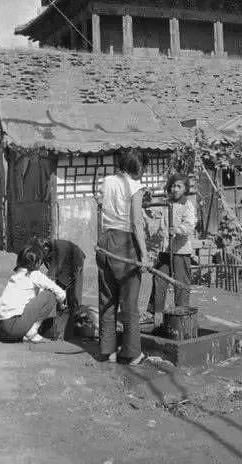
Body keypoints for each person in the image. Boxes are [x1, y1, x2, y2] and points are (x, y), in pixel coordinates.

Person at [96, 148, 149, 365]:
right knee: (129, 302)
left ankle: (108, 351)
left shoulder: (106, 181)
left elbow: (100, 207)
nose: (144, 172)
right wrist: (144, 254)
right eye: (143, 167)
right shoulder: (135, 186)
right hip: (125, 243)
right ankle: (132, 352)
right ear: (138, 167)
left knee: (107, 299)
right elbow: (136, 223)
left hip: (105, 241)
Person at [147, 173, 196, 326]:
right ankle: (155, 313)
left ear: (185, 188)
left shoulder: (187, 205)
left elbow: (189, 226)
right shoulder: (166, 203)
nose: (175, 189)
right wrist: (148, 207)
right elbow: (156, 216)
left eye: (179, 186)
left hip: (180, 251)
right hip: (165, 250)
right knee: (159, 279)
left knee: (181, 284)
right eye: (173, 186)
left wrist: (177, 230)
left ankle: (181, 317)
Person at [0, 245, 66, 343]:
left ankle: (25, 331)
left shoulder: (16, 276)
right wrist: (61, 304)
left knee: (39, 294)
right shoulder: (35, 274)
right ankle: (32, 332)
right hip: (12, 328)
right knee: (50, 295)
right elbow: (61, 293)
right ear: (37, 263)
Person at [36, 237, 85, 339]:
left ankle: (70, 328)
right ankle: (57, 327)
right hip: (64, 264)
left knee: (73, 295)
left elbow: (52, 274)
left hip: (75, 261)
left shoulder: (58, 248)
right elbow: (37, 265)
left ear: (45, 248)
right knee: (59, 294)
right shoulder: (47, 250)